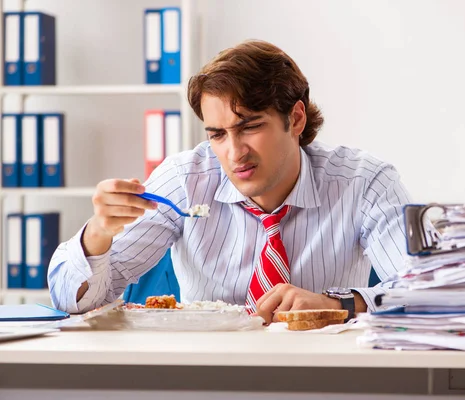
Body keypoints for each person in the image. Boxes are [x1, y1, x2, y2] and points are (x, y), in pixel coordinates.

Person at [48, 40, 412, 324]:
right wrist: (97, 235)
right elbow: (73, 301)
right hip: (206, 373)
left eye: (250, 127)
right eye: (217, 135)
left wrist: (338, 304)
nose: (234, 152)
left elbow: (428, 291)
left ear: (296, 118)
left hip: (321, 374)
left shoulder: (364, 181)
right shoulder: (184, 181)